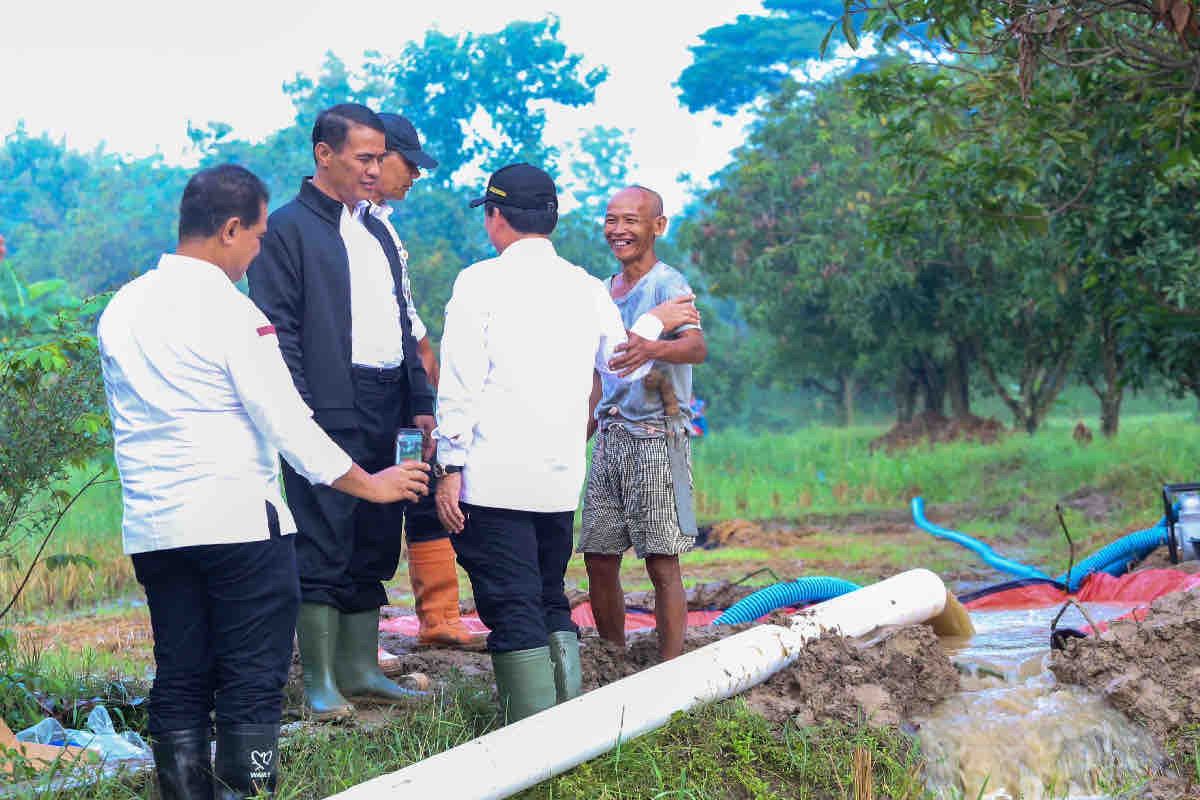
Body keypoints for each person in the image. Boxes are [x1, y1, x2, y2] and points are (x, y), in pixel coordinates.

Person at [98, 164, 429, 799]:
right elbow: (291, 428)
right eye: (256, 236)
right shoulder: (233, 312)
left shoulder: (124, 307)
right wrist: (374, 485)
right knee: (251, 682)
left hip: (155, 530)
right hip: (239, 529)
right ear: (229, 229)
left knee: (181, 676)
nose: (258, 251)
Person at [433, 164, 699, 722]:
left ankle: (534, 737)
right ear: (552, 221)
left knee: (512, 606)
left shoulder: (478, 283)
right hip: (557, 483)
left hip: (493, 480)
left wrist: (449, 466)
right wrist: (651, 323)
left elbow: (458, 386)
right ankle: (568, 724)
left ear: (495, 217)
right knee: (549, 596)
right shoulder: (585, 287)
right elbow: (622, 365)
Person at [246, 103, 438, 720]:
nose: (374, 169)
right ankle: (320, 681)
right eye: (363, 157)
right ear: (323, 154)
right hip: (326, 402)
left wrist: (422, 404)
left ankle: (361, 669)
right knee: (324, 537)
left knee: (377, 537)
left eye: (380, 157)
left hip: (389, 401)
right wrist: (301, 413)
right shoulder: (285, 230)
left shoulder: (378, 231)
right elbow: (281, 332)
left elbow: (405, 330)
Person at [580, 186, 707, 662]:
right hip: (611, 436)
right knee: (598, 555)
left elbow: (696, 348)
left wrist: (652, 347)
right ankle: (612, 656)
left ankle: (671, 665)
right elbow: (600, 373)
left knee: (661, 560)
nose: (619, 230)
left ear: (658, 226)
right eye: (611, 220)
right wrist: (583, 437)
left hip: (657, 436)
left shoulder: (668, 285)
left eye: (631, 221)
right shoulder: (604, 290)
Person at [365, 112, 473, 647]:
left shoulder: (382, 224)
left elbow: (405, 316)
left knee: (424, 486)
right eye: (408, 164)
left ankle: (440, 619)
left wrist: (423, 385)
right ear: (376, 157)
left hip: (406, 382)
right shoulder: (350, 224)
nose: (415, 175)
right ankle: (356, 644)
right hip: (368, 390)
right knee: (373, 505)